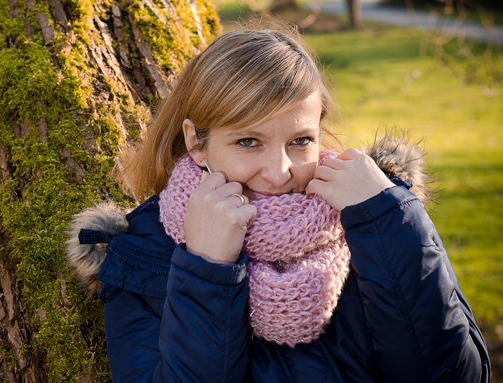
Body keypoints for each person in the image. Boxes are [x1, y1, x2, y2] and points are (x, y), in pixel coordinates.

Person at [66, 29, 490, 382]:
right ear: (196, 143)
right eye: (248, 141)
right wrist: (205, 270)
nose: (279, 172)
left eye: (300, 140)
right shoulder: (143, 257)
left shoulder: (369, 221)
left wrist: (388, 217)